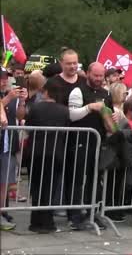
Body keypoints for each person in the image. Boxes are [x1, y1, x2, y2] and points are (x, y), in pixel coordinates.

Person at [67, 62, 111, 230]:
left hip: (99, 142)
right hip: (79, 141)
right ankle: (75, 215)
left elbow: (109, 115)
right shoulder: (78, 91)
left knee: (95, 179)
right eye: (96, 75)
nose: (99, 79)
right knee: (78, 179)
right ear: (88, 74)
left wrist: (112, 118)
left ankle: (93, 213)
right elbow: (71, 115)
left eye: (101, 76)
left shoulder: (106, 93)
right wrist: (89, 107)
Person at [24, 79, 70, 233]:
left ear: (47, 91)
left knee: (36, 186)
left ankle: (35, 222)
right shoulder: (64, 111)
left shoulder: (36, 108)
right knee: (50, 187)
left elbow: (28, 127)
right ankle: (48, 221)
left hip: (36, 151)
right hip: (56, 152)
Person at [1, 67, 27, 231]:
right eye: (2, 78)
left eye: (6, 77)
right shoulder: (7, 96)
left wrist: (22, 101)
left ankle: (2, 212)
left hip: (8, 145)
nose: (4, 81)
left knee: (4, 182)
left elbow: (20, 116)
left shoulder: (10, 94)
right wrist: (8, 99)